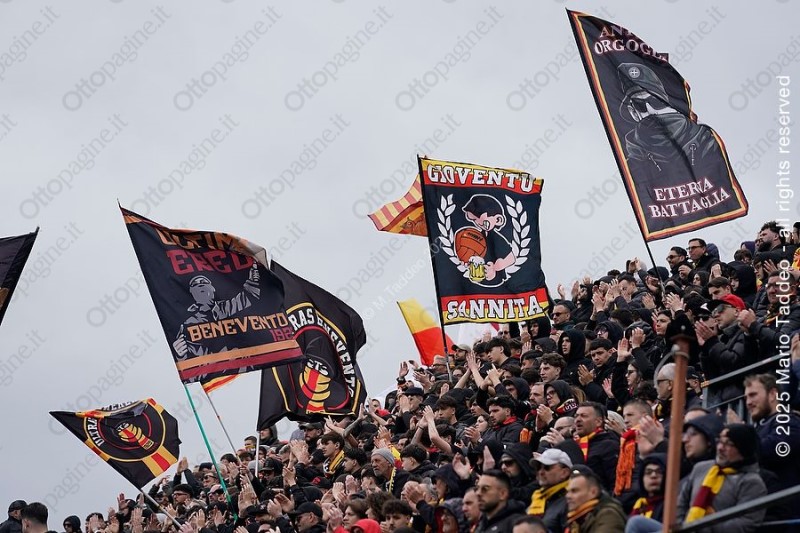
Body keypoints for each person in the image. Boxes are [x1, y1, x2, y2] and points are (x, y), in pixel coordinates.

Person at [628, 424, 767, 532]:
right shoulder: (702, 468)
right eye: (720, 441)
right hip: (684, 529)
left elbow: (747, 523)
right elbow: (680, 503)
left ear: (743, 449)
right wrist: (683, 526)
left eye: (728, 444)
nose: (720, 448)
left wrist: (707, 524)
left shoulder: (751, 482)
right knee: (636, 523)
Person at [559, 402, 619, 491]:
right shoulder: (574, 445)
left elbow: (615, 482)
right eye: (576, 416)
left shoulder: (609, 446)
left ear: (598, 422)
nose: (578, 420)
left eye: (584, 416)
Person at [564, 467, 626, 532]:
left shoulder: (608, 515)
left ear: (593, 492)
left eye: (574, 491)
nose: (568, 496)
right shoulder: (577, 519)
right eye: (568, 492)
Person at [527, 449, 571, 533]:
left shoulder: (571, 501)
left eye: (547, 467)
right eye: (538, 468)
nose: (541, 472)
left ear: (564, 473)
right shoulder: (537, 498)